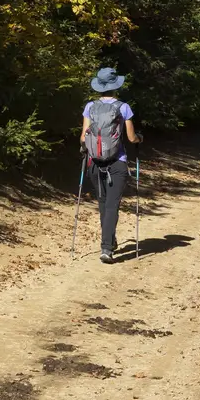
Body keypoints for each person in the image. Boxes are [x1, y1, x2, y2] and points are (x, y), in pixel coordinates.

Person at [80, 67, 139, 263]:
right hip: (117, 162)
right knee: (113, 205)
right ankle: (106, 248)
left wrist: (86, 149)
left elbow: (83, 137)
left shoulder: (90, 107)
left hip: (95, 162)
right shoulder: (123, 107)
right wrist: (140, 138)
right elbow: (131, 138)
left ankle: (109, 241)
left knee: (104, 204)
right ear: (115, 86)